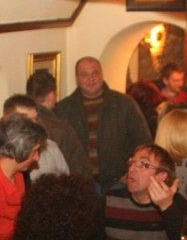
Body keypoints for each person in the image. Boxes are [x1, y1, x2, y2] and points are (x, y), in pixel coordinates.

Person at [55, 56, 152, 189]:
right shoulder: (63, 109)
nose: (91, 79)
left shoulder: (124, 104)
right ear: (77, 78)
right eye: (84, 75)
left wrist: (131, 172)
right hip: (80, 184)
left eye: (95, 73)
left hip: (119, 181)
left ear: (102, 75)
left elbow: (143, 142)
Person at [0, 95, 69, 180]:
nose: (34, 126)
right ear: (8, 123)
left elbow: (67, 185)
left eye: (35, 119)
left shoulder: (51, 148)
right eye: (26, 122)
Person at [26, 70, 92, 179]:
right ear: (51, 95)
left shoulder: (15, 122)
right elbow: (79, 170)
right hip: (56, 186)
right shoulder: (61, 129)